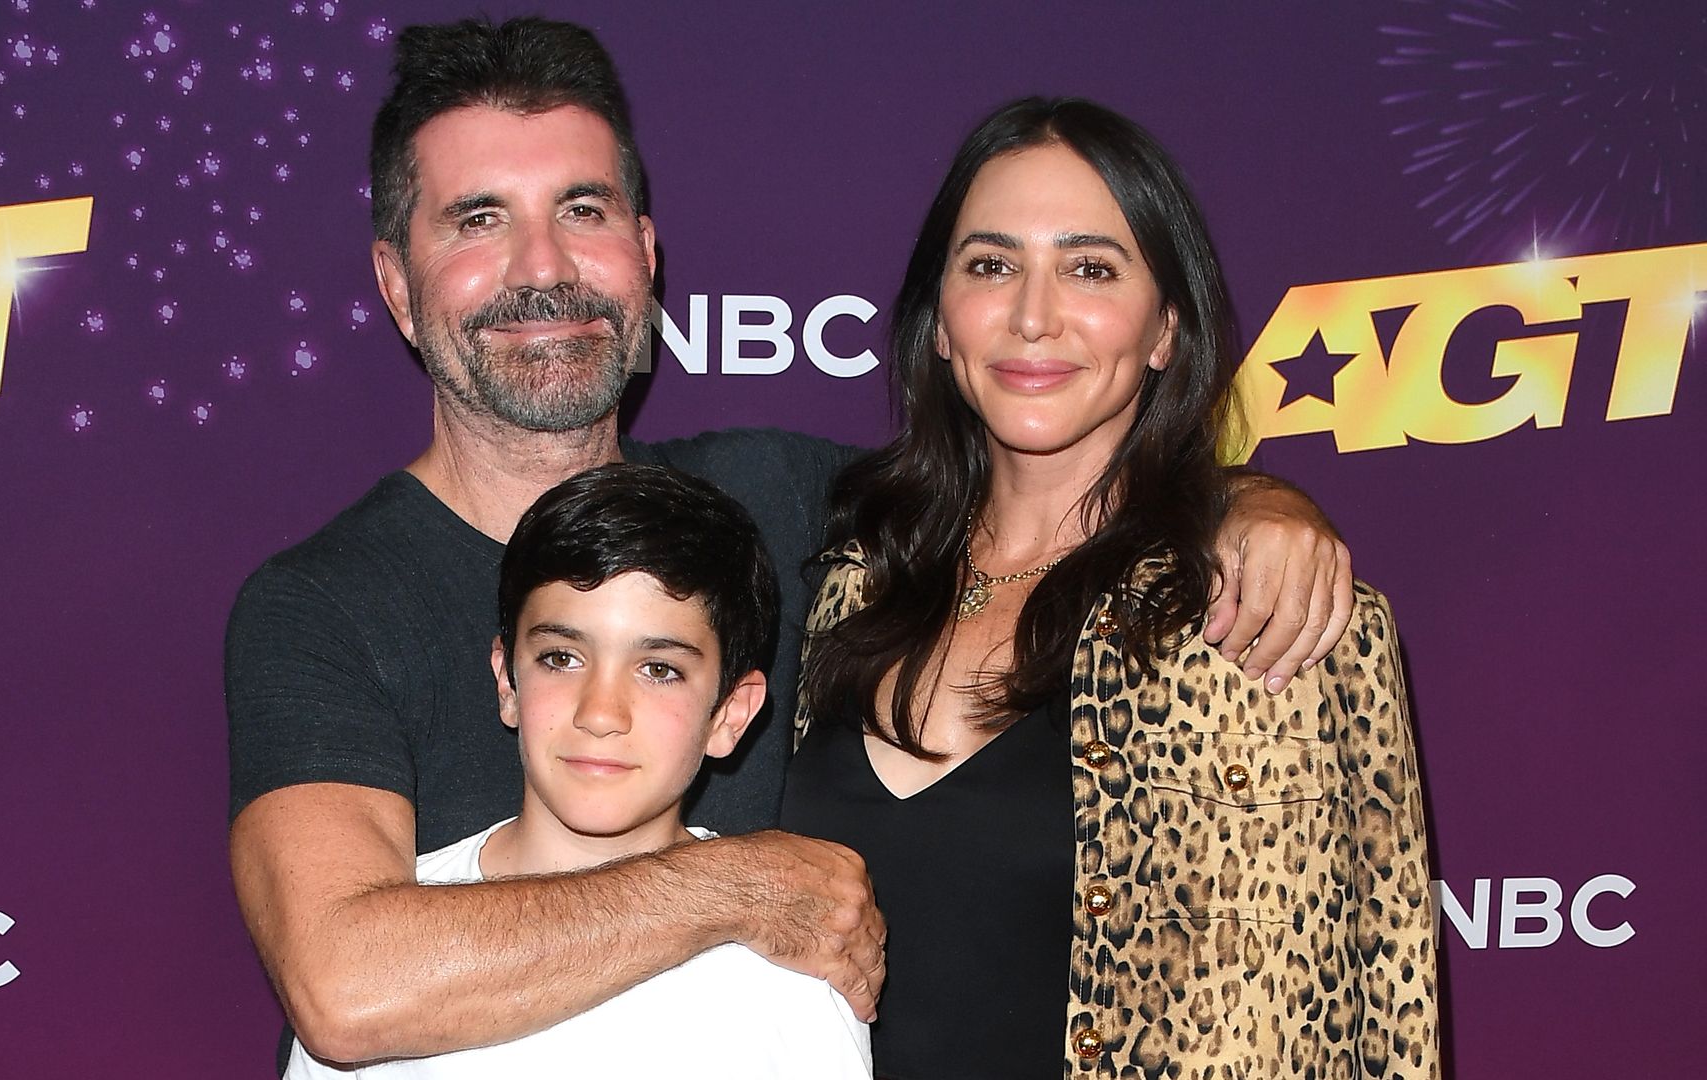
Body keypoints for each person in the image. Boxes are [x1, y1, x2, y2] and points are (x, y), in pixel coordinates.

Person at [226, 16, 1354, 1074]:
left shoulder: (781, 497)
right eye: (479, 219)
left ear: (646, 252)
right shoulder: (324, 608)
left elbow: (1047, 483)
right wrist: (732, 885)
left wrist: (1245, 500)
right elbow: (347, 987)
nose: (542, 267)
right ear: (395, 285)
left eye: (583, 210)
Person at [780, 97, 1437, 1080]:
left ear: (1166, 327)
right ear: (942, 326)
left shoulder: (1263, 613)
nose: (1033, 314)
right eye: (991, 265)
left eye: (1091, 268)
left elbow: (1386, 1002)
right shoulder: (843, 582)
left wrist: (1254, 498)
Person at [283, 463, 871, 1079]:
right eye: (561, 658)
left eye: (660, 670)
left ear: (730, 713)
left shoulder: (793, 964)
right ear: (508, 680)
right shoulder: (383, 962)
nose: (600, 713)